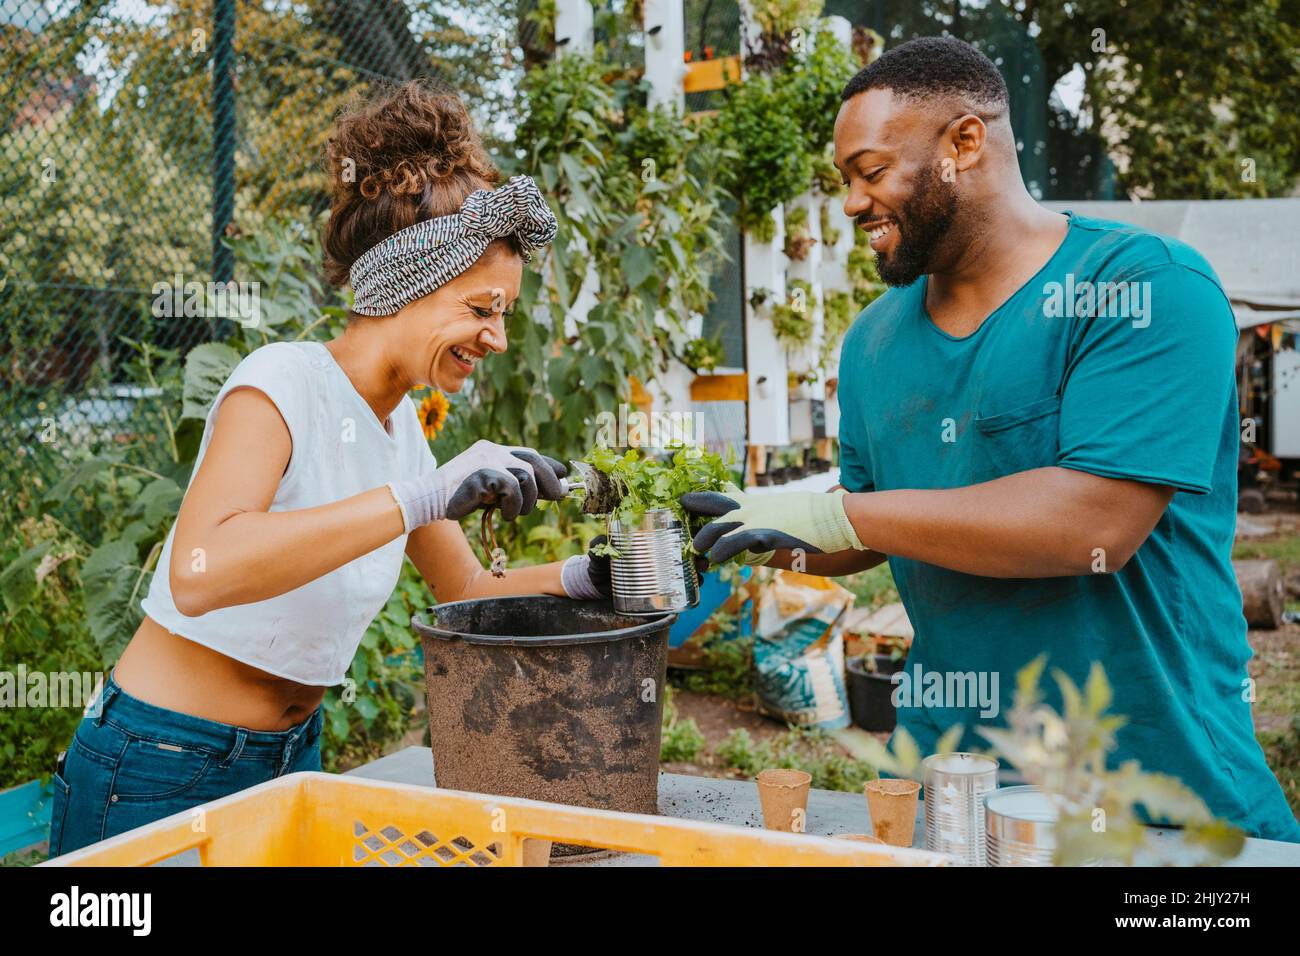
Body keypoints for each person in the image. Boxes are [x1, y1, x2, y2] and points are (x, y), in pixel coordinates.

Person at [682, 37, 1300, 842]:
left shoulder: (1142, 289)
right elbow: (870, 521)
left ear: (964, 144)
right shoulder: (872, 342)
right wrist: (751, 529)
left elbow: (1094, 526)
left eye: (870, 172)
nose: (851, 204)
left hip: (1158, 796)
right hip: (953, 790)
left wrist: (845, 519)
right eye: (844, 181)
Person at [48, 82, 611, 856]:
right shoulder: (281, 381)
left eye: (504, 315)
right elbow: (201, 571)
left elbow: (471, 590)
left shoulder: (400, 426)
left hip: (289, 762)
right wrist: (419, 496)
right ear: (407, 283)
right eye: (482, 309)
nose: (498, 338)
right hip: (158, 763)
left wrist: (593, 575)